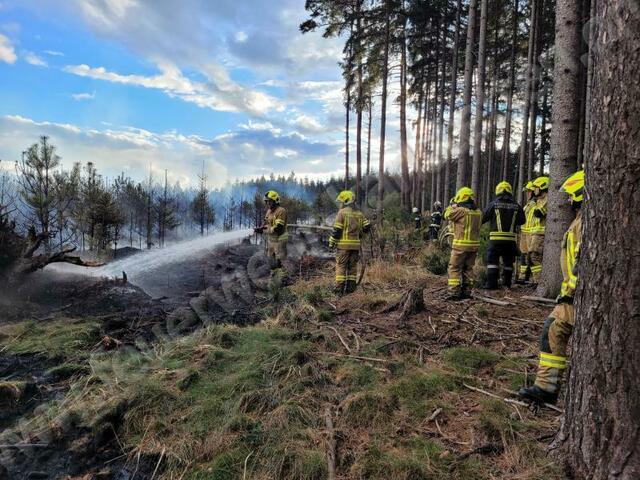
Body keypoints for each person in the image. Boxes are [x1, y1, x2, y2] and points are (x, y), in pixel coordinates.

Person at [518, 170, 584, 405]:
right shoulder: (581, 219)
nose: (568, 200)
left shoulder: (585, 222)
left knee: (553, 330)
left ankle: (548, 387)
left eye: (571, 195)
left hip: (576, 296)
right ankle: (546, 387)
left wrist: (571, 291)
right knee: (551, 331)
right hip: (574, 295)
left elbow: (581, 261)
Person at [482, 181, 526, 289]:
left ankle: (491, 285)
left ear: (498, 191)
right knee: (508, 262)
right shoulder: (516, 205)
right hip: (510, 241)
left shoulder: (493, 204)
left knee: (492, 262)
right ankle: (507, 284)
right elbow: (522, 221)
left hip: (495, 239)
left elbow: (483, 217)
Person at [329, 191, 371, 295]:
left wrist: (331, 242)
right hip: (355, 246)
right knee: (352, 268)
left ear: (346, 201)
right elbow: (367, 227)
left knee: (341, 266)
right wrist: (359, 234)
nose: (340, 204)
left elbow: (337, 230)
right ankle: (351, 290)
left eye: (341, 202)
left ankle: (338, 291)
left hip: (343, 246)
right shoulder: (359, 214)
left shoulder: (342, 213)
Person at [444, 187, 482, 300]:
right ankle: (467, 291)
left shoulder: (461, 211)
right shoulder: (478, 212)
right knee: (468, 269)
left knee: (454, 268)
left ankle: (454, 292)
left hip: (460, 246)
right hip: (474, 246)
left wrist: (452, 206)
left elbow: (446, 215)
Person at [254, 190, 288, 274]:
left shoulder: (281, 211)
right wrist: (260, 228)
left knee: (279, 261)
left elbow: (278, 228)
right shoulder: (269, 211)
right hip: (271, 240)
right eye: (267, 202)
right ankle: (274, 277)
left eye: (270, 201)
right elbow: (266, 222)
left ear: (276, 201)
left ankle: (283, 279)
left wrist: (264, 230)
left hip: (280, 240)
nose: (268, 204)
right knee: (271, 261)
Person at [527, 176, 549, 284]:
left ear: (542, 187)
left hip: (540, 234)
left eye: (535, 188)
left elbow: (538, 214)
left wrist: (535, 202)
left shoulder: (547, 199)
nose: (533, 191)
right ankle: (537, 281)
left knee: (534, 257)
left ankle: (539, 281)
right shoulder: (539, 200)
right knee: (532, 258)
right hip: (535, 233)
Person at [517, 181, 536, 283]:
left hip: (532, 233)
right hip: (524, 233)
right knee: (523, 256)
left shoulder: (537, 204)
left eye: (528, 191)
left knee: (532, 257)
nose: (527, 194)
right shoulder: (528, 205)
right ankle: (522, 277)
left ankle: (533, 279)